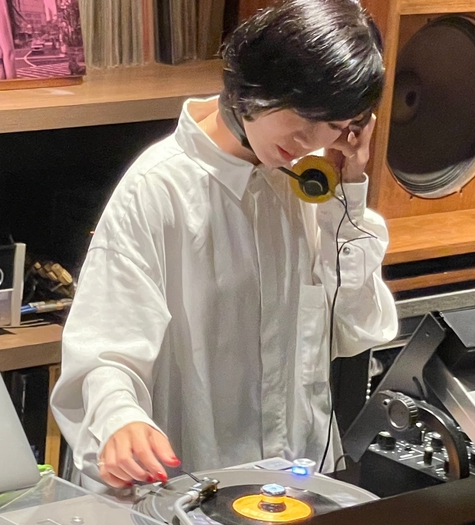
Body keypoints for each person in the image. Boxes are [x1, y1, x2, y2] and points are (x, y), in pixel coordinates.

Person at [50, 0, 398, 491]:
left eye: (336, 126)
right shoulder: (158, 188)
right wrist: (120, 420)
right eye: (303, 117)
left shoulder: (312, 183)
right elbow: (104, 352)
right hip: (187, 490)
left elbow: (358, 328)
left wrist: (349, 194)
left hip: (297, 488)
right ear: (257, 83)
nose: (309, 140)